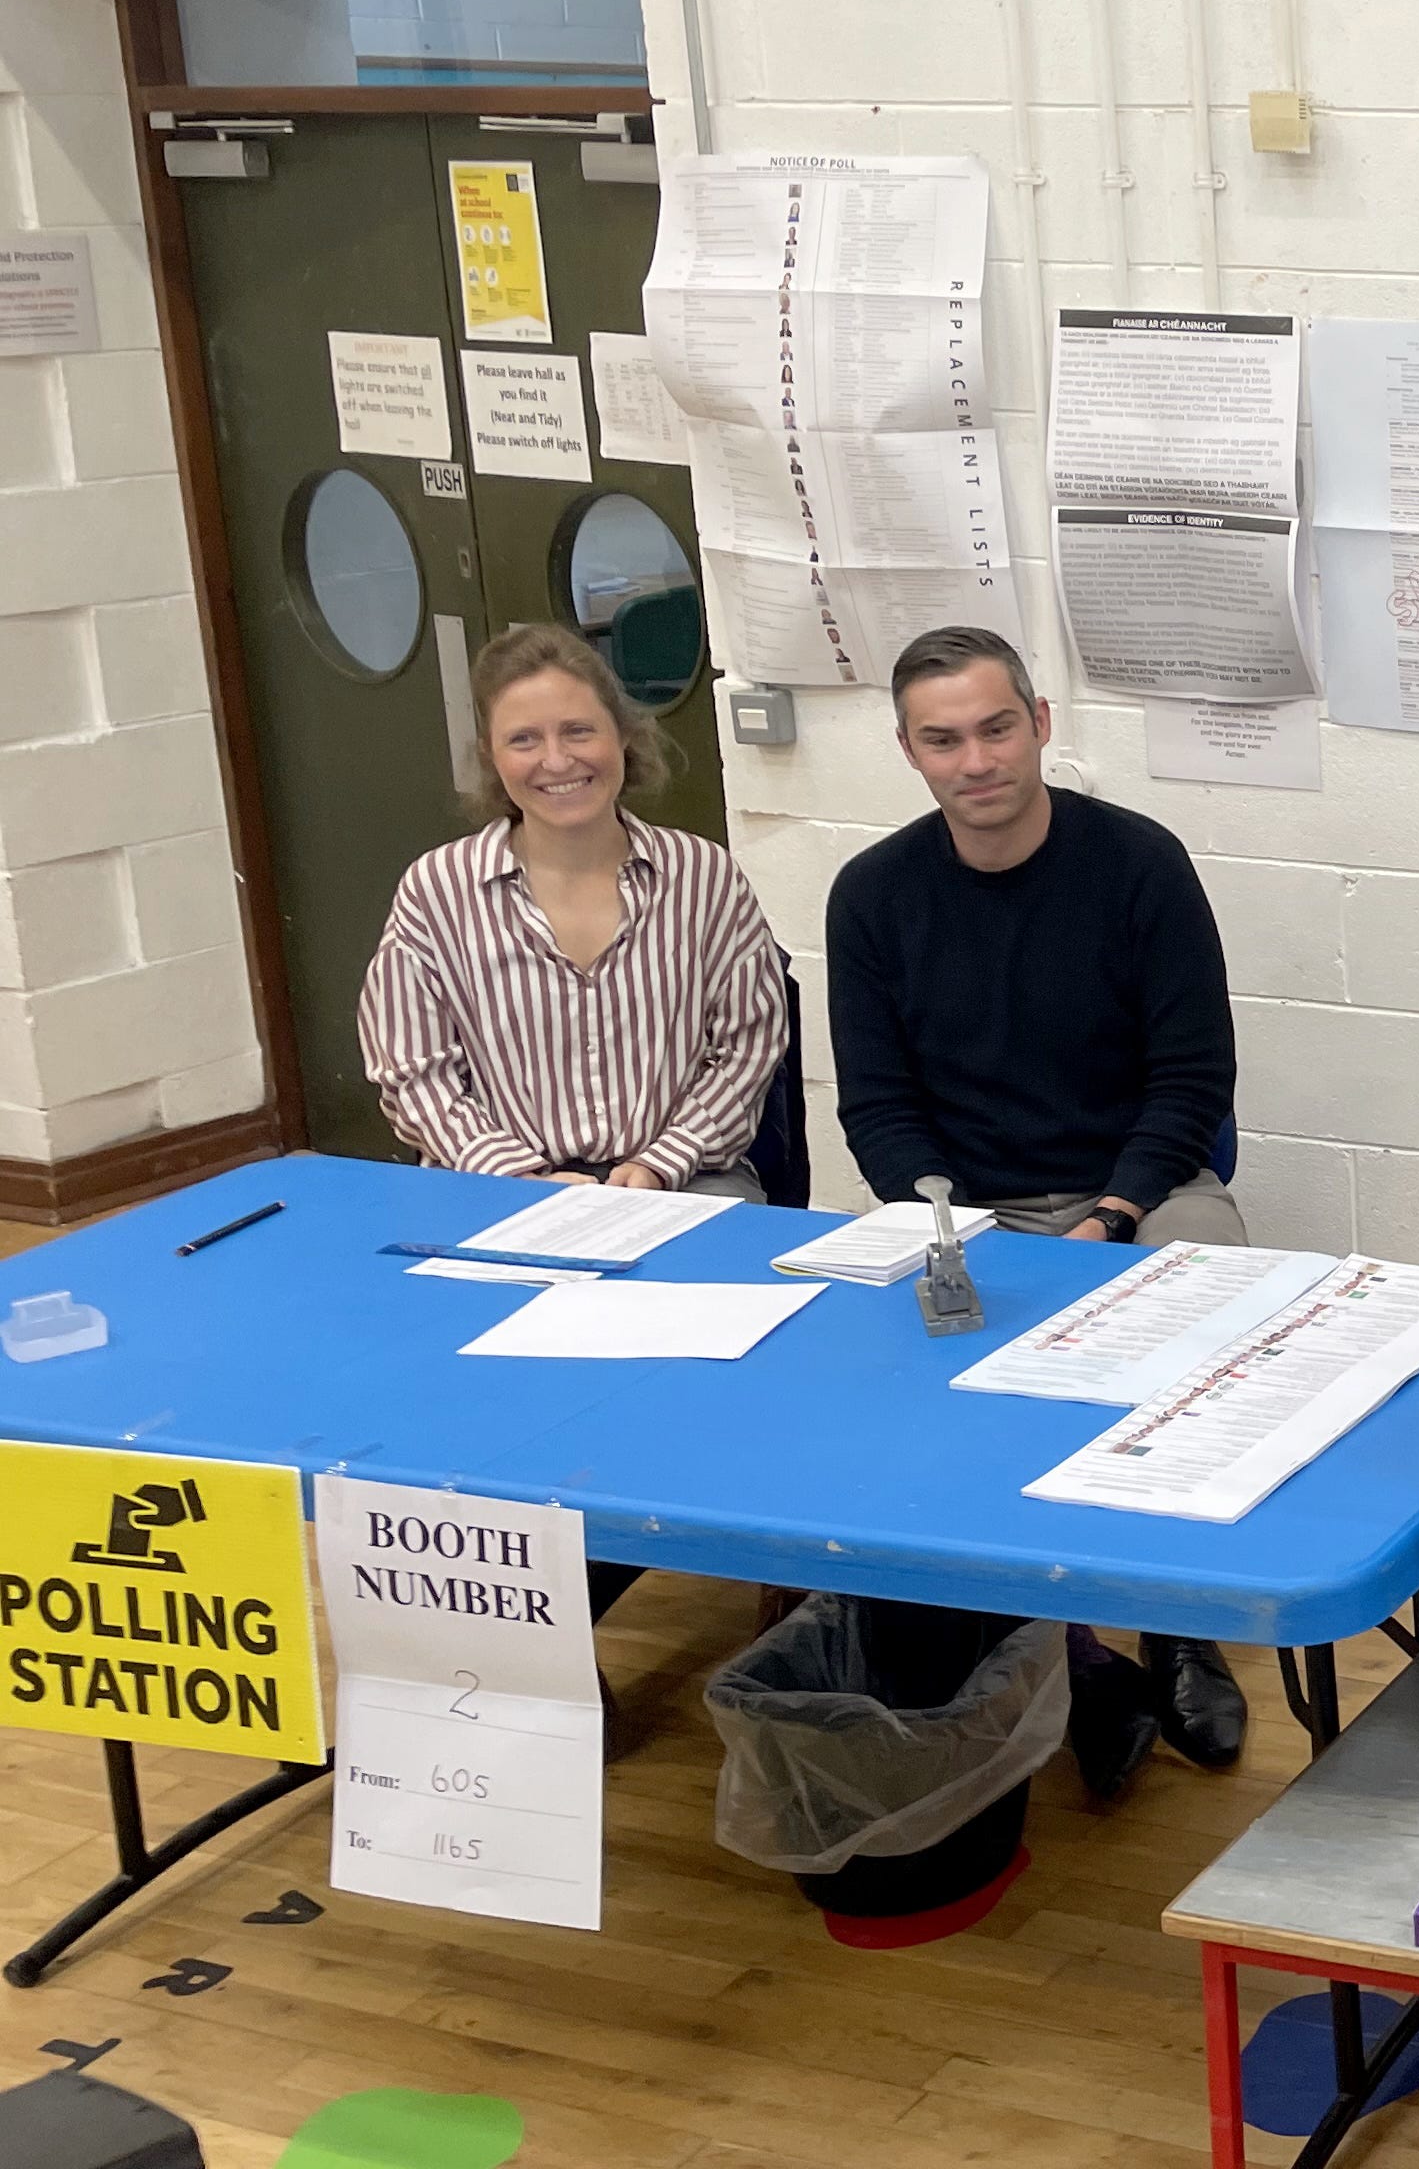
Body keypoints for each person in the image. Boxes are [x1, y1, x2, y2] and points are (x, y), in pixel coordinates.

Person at [825, 623, 1251, 1788]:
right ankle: (1043, 1648)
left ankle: (1174, 1628)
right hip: (962, 1208)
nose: (978, 761)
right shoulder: (873, 895)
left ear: (1041, 724)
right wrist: (952, 1224)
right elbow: (877, 1110)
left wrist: (1110, 1218)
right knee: (900, 1357)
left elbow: (1190, 1080)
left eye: (997, 728)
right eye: (944, 739)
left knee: (1200, 1305)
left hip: (1137, 1191)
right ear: (911, 752)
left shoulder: (1139, 865)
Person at [361, 622, 787, 1200]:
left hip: (684, 1183)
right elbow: (413, 1076)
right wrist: (518, 1175)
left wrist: (664, 1161)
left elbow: (748, 1049)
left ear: (624, 736)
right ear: (491, 755)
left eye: (579, 731)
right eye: (524, 740)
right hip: (496, 1187)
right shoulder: (435, 891)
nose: (557, 760)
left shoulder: (705, 877)